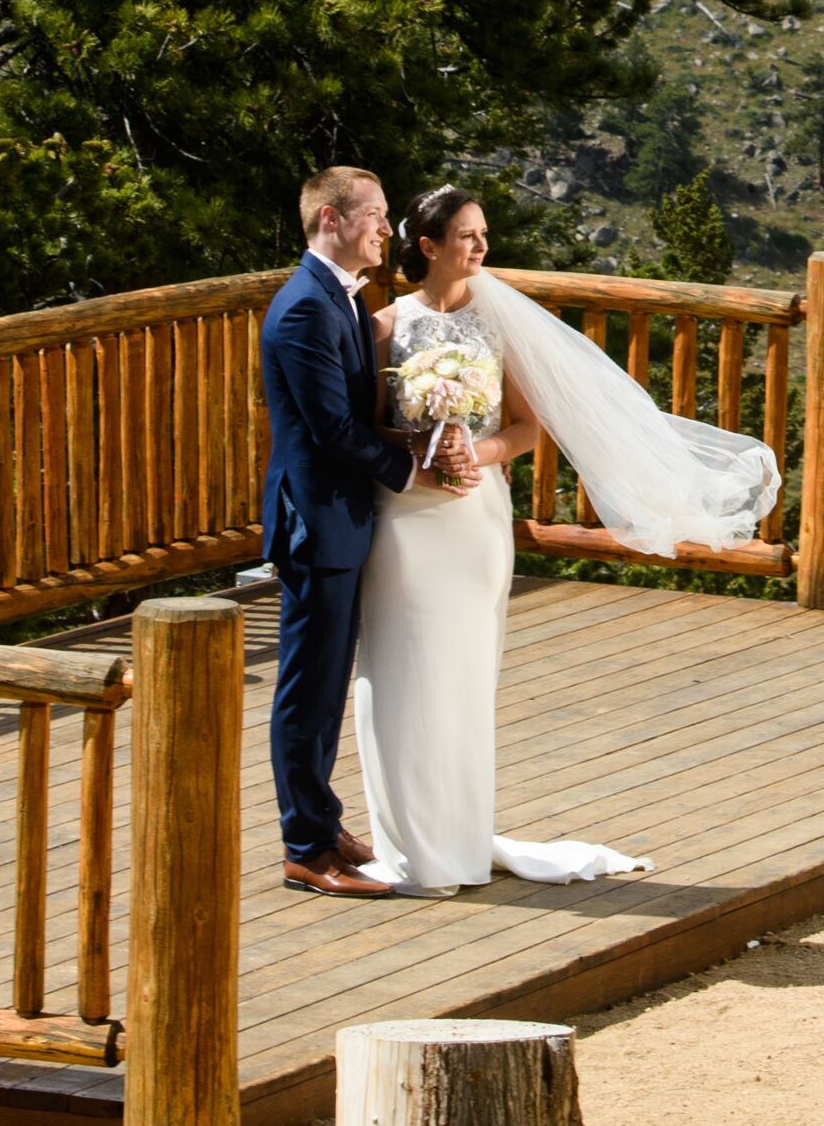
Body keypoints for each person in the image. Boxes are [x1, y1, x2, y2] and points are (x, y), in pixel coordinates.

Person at [348, 183, 784, 894]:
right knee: (397, 674)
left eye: (483, 232)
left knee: (463, 676)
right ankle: (409, 847)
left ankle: (457, 840)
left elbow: (524, 427)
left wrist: (472, 453)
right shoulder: (385, 327)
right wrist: (422, 446)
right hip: (405, 520)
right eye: (466, 235)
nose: (481, 246)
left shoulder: (496, 323)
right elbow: (367, 426)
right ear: (426, 247)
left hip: (473, 517)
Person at [259, 164, 435, 900]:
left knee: (328, 682)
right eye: (376, 215)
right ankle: (306, 846)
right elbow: (332, 430)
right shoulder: (303, 308)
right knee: (308, 688)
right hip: (316, 519)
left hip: (343, 516)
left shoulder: (343, 299)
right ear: (331, 219)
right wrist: (415, 467)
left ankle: (323, 822)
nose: (387, 229)